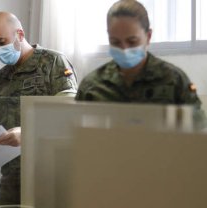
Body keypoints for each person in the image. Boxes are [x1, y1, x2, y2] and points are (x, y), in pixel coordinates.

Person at [0, 11, 78, 205]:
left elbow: (69, 113)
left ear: (19, 35)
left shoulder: (52, 62)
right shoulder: (2, 76)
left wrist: (27, 132)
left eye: (2, 42)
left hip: (44, 171)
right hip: (11, 175)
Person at [75, 0, 204, 128]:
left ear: (148, 36)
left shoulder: (175, 81)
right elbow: (75, 137)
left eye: (132, 41)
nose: (124, 49)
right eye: (115, 42)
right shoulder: (92, 86)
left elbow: (198, 134)